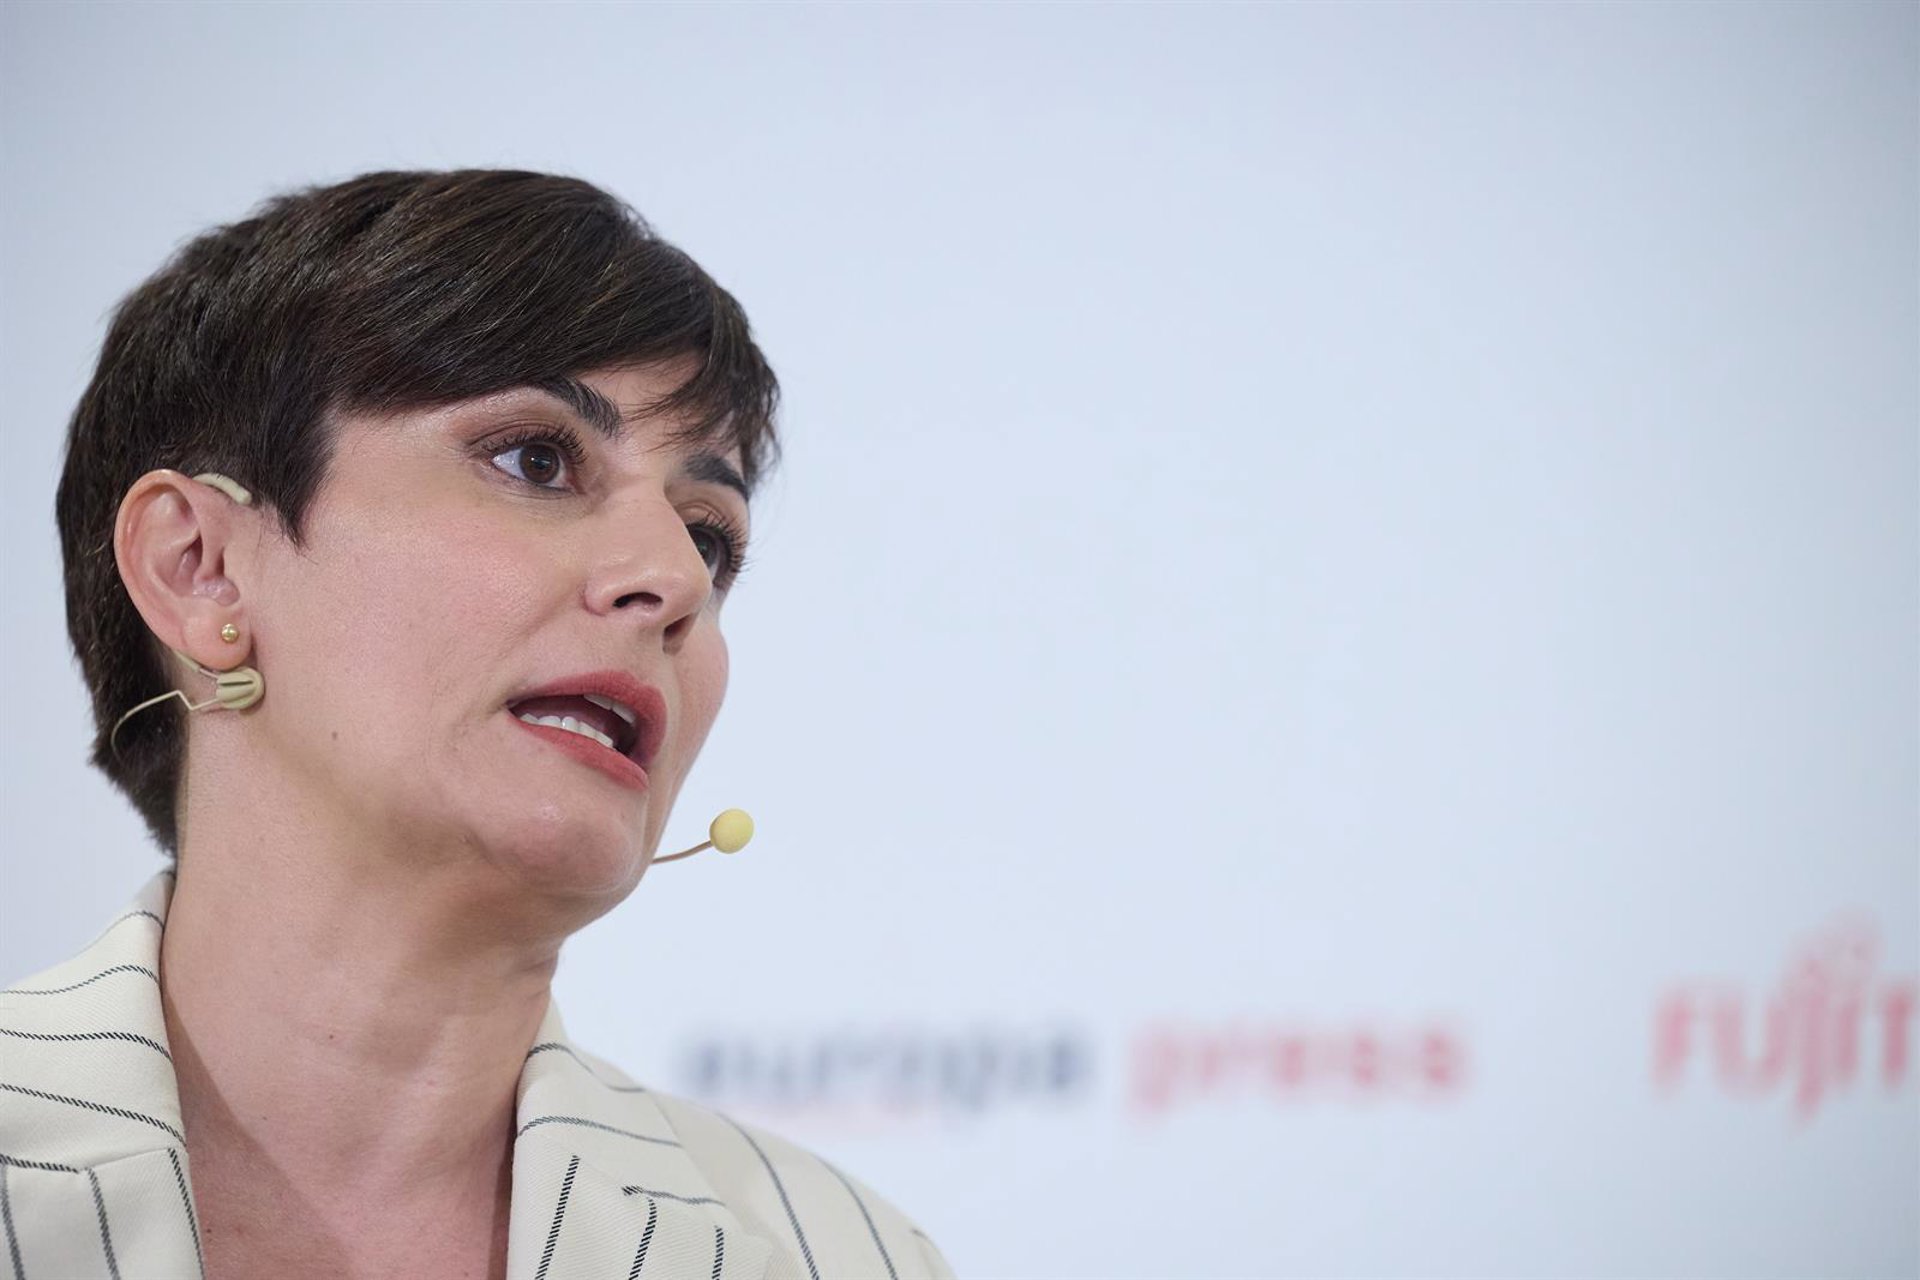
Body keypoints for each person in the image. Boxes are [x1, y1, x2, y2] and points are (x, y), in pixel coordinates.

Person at [0, 170, 956, 1280]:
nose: (674, 579)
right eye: (537, 460)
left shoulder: (844, 1256)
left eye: (710, 535)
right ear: (200, 567)